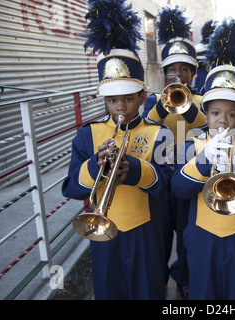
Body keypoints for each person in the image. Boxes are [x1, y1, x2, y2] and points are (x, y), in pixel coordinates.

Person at [61, 0, 174, 299]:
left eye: (127, 98)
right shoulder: (88, 134)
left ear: (142, 97)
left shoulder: (158, 133)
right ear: (104, 101)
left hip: (145, 232)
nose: (120, 106)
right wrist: (92, 167)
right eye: (112, 100)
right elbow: (70, 188)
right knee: (109, 292)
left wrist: (134, 169)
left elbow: (169, 186)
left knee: (147, 291)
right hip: (102, 235)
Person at [171, 19, 235, 300]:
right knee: (203, 293)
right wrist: (205, 159)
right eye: (216, 113)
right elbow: (179, 189)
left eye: (231, 114)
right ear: (206, 114)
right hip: (202, 235)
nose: (223, 121)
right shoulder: (192, 140)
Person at [141, 6, 206, 300]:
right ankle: (159, 279)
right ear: (164, 72)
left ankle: (184, 276)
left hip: (189, 175)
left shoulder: (204, 100)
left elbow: (205, 128)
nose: (177, 75)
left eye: (183, 70)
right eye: (171, 70)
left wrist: (185, 103)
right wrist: (164, 102)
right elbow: (146, 127)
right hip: (159, 174)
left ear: (192, 73)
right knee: (159, 234)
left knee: (187, 234)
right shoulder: (154, 101)